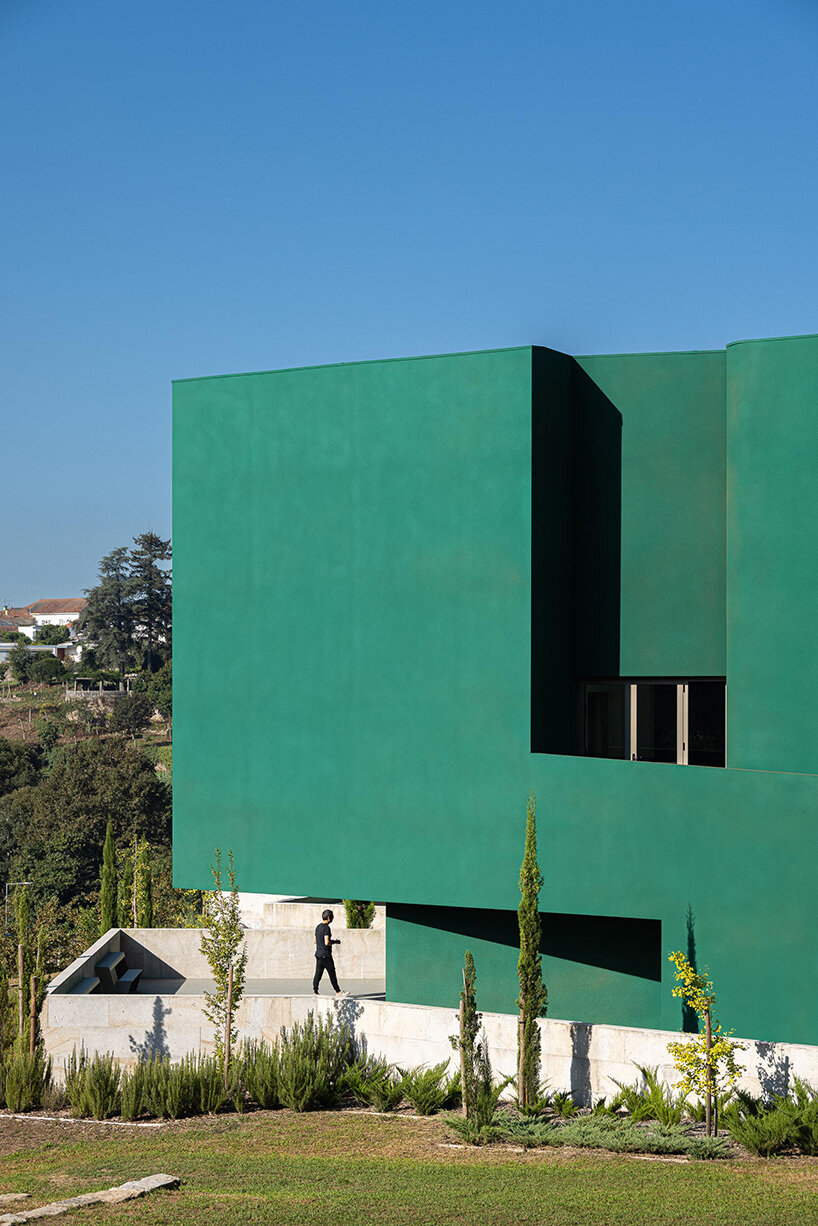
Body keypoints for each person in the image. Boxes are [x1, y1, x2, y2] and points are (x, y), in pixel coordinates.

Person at [313, 908, 347, 997]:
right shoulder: (326, 928)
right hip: (326, 955)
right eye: (332, 917)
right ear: (328, 917)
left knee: (318, 973)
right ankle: (338, 991)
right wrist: (335, 942)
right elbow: (327, 942)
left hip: (318, 954)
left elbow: (315, 941)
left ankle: (315, 991)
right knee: (332, 973)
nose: (332, 919)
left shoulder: (318, 927)